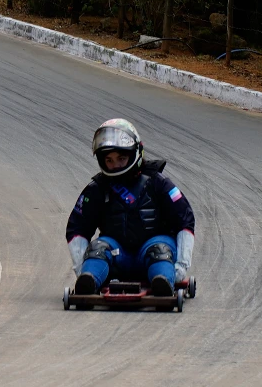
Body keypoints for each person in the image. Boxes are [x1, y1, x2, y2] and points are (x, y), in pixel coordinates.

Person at [65, 119, 195, 297]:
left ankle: (163, 281)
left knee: (160, 250)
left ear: (136, 153)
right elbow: (77, 226)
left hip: (153, 248)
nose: (115, 165)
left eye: (121, 158)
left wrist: (181, 266)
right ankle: (89, 280)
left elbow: (185, 220)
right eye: (109, 160)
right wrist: (80, 268)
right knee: (98, 248)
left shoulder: (158, 183)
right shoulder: (97, 188)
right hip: (118, 253)